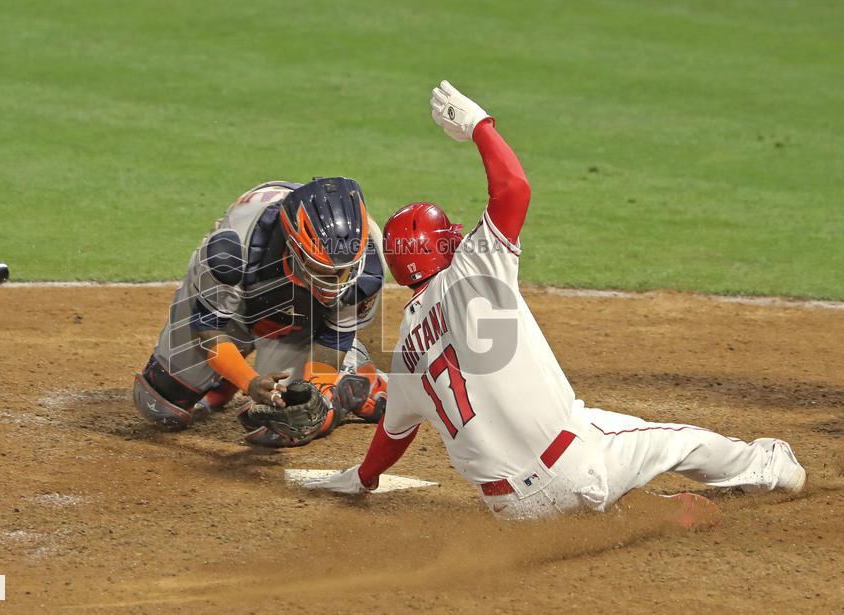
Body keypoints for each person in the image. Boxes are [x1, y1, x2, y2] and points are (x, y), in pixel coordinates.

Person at [303, 82, 806, 523]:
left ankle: (645, 513)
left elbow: (394, 436)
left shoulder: (407, 345)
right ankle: (772, 468)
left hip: (515, 515)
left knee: (591, 433)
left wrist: (363, 479)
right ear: (440, 247)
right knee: (679, 441)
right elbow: (513, 190)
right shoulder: (476, 267)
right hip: (577, 468)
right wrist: (480, 125)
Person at [133, 177, 388, 447]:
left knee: (289, 421)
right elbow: (208, 327)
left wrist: (314, 391)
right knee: (158, 404)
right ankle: (224, 374)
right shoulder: (234, 247)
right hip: (240, 298)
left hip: (303, 320)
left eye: (343, 271)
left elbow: (333, 336)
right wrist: (249, 381)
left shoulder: (367, 263)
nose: (335, 280)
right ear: (294, 247)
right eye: (321, 269)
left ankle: (353, 375)